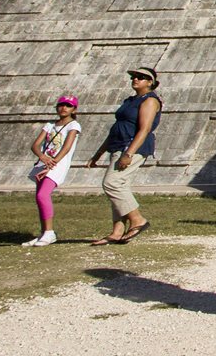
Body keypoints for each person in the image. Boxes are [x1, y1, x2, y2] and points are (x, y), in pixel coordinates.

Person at [86, 66, 163, 245]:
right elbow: (115, 129)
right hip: (118, 145)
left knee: (112, 184)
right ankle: (117, 231)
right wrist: (98, 154)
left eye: (141, 77)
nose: (135, 79)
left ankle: (138, 220)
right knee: (121, 188)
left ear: (150, 82)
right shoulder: (130, 100)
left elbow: (144, 129)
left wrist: (129, 153)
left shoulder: (150, 101)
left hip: (132, 148)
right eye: (134, 76)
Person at [20, 95, 83, 247]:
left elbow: (67, 147)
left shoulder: (73, 126)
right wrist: (43, 158)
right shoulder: (49, 125)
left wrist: (51, 163)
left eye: (68, 106)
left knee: (43, 195)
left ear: (74, 109)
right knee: (39, 198)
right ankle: (43, 233)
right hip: (43, 163)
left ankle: (49, 233)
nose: (64, 108)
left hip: (57, 165)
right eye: (61, 105)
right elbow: (35, 145)